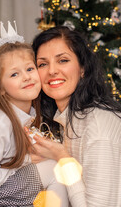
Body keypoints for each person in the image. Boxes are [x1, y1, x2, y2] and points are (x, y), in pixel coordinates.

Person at [0, 22, 69, 207]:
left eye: (29, 69)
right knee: (54, 170)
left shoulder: (26, 115)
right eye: (14, 74)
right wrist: (25, 161)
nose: (26, 77)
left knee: (52, 167)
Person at [30, 25, 121, 207]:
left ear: (83, 69)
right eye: (42, 64)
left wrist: (62, 158)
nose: (52, 71)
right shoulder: (63, 119)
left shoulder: (98, 126)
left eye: (63, 60)